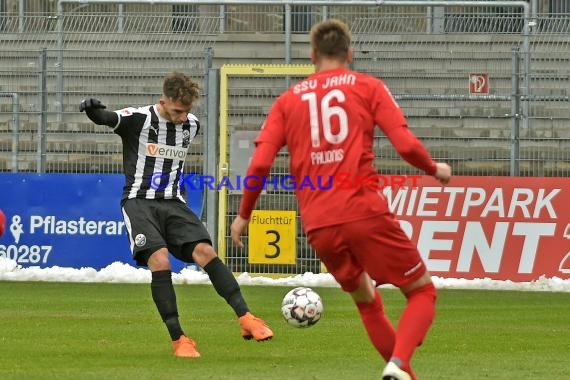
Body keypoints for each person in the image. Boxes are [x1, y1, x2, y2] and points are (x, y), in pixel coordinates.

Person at [230, 20, 451, 380]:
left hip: (319, 224)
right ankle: (399, 360)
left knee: (366, 299)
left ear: (312, 56)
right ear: (349, 53)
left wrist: (244, 215)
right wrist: (434, 168)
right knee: (422, 291)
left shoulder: (288, 101)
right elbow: (406, 145)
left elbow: (260, 164)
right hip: (364, 209)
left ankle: (400, 367)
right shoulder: (368, 87)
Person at [80, 71, 273, 358]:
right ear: (163, 101)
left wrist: (183, 117)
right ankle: (179, 339)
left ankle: (246, 318)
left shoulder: (191, 125)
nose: (183, 117)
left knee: (206, 252)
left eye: (187, 111)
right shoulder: (139, 119)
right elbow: (107, 118)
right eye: (178, 111)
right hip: (139, 202)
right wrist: (93, 109)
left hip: (173, 202)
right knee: (160, 261)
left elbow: (182, 127)